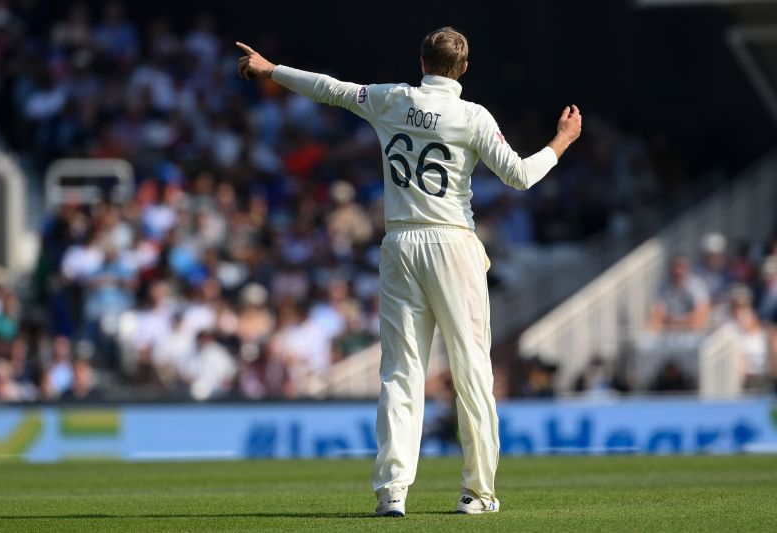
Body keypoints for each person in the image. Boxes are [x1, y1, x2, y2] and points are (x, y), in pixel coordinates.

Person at [235, 27, 581, 516]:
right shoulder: (472, 116)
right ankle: (478, 492)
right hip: (452, 244)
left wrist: (272, 71)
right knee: (472, 371)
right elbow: (520, 176)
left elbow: (329, 87)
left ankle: (392, 492)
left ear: (421, 62)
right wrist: (562, 140)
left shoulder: (391, 100)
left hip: (399, 242)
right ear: (463, 69)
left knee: (400, 371)